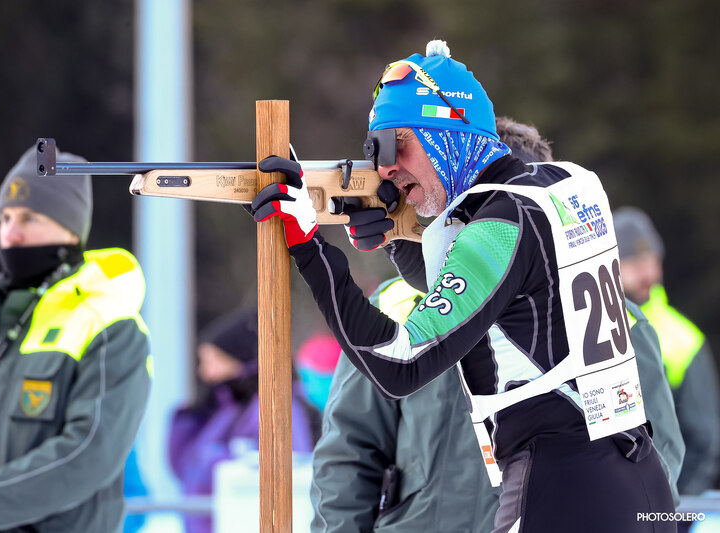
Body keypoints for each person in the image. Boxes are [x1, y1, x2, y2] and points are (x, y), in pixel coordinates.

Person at [251, 40, 676, 532]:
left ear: (445, 132)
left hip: (559, 486)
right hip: (637, 479)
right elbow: (506, 299)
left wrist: (309, 246)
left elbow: (400, 364)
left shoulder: (501, 225)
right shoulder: (568, 184)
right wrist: (402, 237)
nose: (386, 168)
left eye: (395, 144)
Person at [0, 145, 151, 532]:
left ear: (71, 230)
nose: (10, 234)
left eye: (29, 218)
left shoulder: (111, 327)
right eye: (5, 218)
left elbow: (88, 452)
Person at [167, 307, 321, 533]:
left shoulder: (272, 407)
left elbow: (286, 469)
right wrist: (188, 420)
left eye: (211, 360)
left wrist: (215, 459)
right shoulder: (228, 408)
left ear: (236, 359)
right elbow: (182, 465)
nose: (204, 372)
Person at [614, 206, 720, 496]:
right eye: (634, 263)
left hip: (666, 500)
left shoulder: (685, 339)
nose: (647, 273)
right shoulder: (587, 330)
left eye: (652, 261)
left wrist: (673, 506)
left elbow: (704, 440)